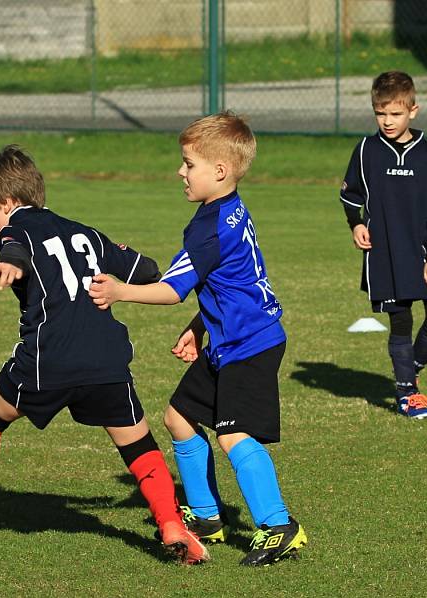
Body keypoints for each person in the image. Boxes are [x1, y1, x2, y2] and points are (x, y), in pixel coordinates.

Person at [0, 145, 209, 565]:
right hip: (107, 359)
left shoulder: (14, 229)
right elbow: (148, 269)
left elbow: (13, 244)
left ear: (9, 203)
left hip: (47, 360)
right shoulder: (85, 231)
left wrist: (9, 262)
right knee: (138, 444)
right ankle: (171, 524)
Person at [89, 112, 307, 567]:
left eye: (189, 164)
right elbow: (230, 281)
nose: (181, 172)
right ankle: (207, 517)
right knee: (179, 417)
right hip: (232, 337)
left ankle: (279, 525)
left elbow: (171, 289)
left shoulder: (207, 227)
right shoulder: (229, 210)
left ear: (220, 171)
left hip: (250, 344)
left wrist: (119, 290)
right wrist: (200, 325)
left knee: (234, 435)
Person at [339, 71, 427, 419]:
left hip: (421, 253)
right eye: (381, 113)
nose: (387, 121)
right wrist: (357, 223)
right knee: (401, 322)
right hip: (384, 254)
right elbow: (350, 196)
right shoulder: (365, 150)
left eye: (395, 114)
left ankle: (409, 372)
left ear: (413, 111)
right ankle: (407, 395)